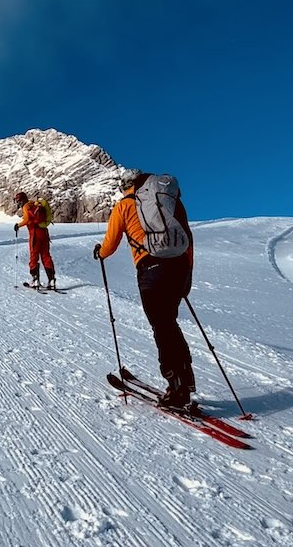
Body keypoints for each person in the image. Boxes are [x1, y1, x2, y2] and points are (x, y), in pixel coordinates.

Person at [93, 169, 197, 409]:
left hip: (151, 269)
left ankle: (176, 386)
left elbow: (111, 242)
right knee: (169, 323)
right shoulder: (171, 203)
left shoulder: (125, 205)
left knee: (161, 326)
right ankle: (185, 380)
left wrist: (100, 252)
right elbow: (187, 240)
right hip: (179, 267)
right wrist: (186, 276)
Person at [13, 191, 56, 290]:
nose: (18, 203)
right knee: (46, 256)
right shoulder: (34, 204)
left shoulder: (26, 206)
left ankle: (35, 280)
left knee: (34, 256)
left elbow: (27, 219)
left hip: (35, 234)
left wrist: (18, 225)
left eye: (18, 201)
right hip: (44, 232)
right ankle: (52, 280)